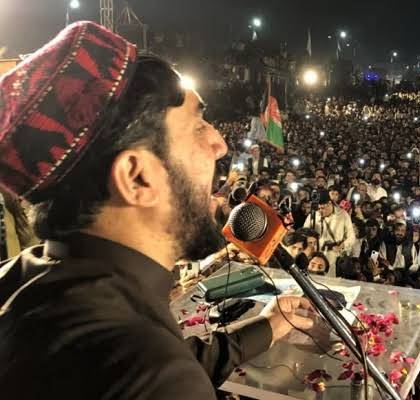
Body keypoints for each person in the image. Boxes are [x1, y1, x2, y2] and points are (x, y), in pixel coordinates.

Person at [0, 23, 313, 398]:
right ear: (136, 178)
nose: (220, 144)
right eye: (198, 125)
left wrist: (267, 326)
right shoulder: (152, 373)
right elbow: (155, 371)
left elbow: (158, 362)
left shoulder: (24, 278)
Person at [303, 188, 355, 276]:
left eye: (322, 208)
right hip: (314, 256)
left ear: (329, 203)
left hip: (332, 256)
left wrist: (342, 246)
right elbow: (304, 234)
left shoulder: (343, 215)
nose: (319, 211)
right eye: (318, 208)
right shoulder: (314, 214)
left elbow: (351, 237)